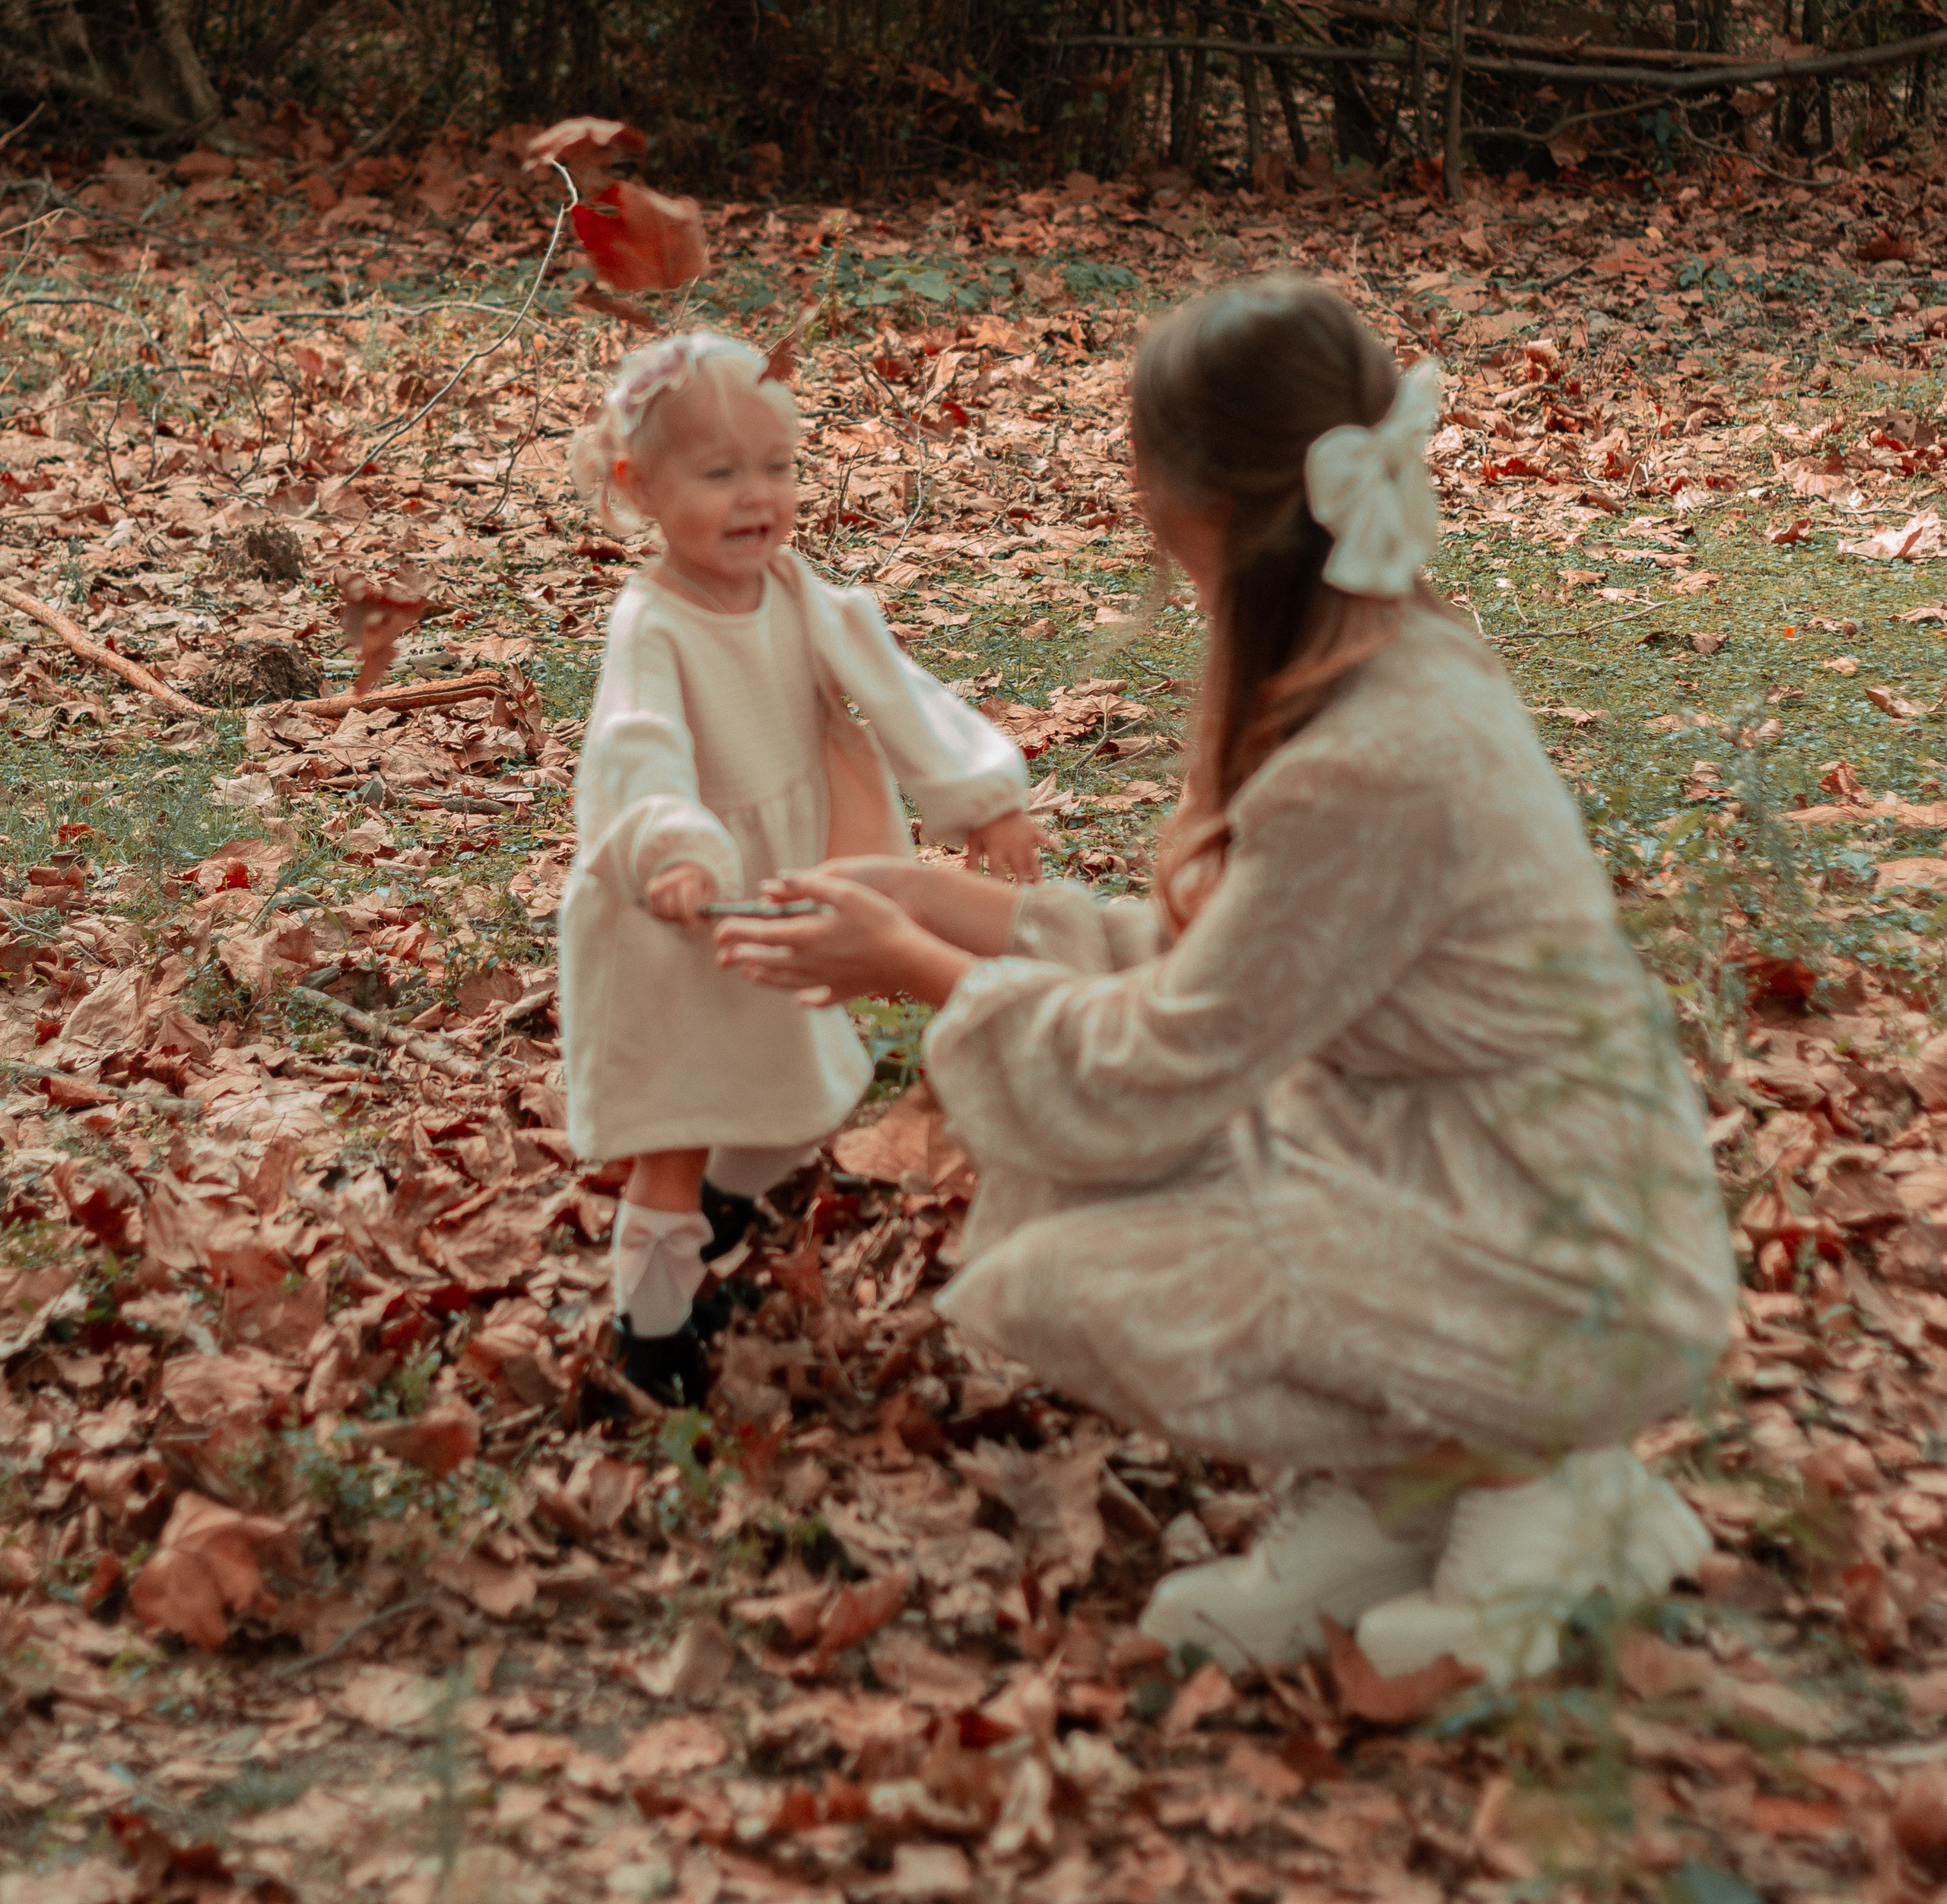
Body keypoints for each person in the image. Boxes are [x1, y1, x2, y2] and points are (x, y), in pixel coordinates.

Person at [717, 278, 1736, 1686]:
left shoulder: (1374, 750)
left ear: (1181, 494)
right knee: (1082, 1202)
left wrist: (920, 967)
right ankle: (1401, 1499)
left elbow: (1156, 1067)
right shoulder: (1381, 659)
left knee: (1088, 1275)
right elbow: (1246, 979)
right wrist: (974, 910)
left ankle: (1537, 1491)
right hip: (1482, 1176)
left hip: (1569, 1254)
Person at [560, 329, 1038, 1408]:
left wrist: (981, 794)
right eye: (718, 473)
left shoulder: (795, 589)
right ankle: (654, 1337)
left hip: (777, 889)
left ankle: (715, 1227)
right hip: (674, 909)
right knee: (679, 1128)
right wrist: (676, 849)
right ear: (638, 488)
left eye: (776, 469)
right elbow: (639, 752)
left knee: (788, 1098)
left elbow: (895, 685)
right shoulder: (654, 625)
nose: (755, 499)